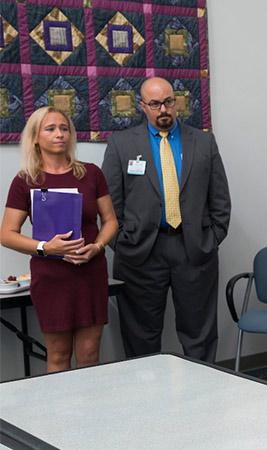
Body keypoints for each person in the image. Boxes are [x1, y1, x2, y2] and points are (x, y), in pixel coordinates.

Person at [102, 77, 231, 362]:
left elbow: (220, 199)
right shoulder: (121, 144)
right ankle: (147, 399)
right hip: (140, 253)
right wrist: (122, 243)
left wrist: (211, 239)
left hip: (194, 248)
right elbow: (109, 204)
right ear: (142, 106)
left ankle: (203, 394)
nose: (164, 109)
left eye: (169, 102)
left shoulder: (203, 142)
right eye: (156, 103)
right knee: (140, 335)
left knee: (199, 332)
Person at [1, 106, 117, 372]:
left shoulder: (90, 173)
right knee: (58, 355)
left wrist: (97, 247)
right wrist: (45, 248)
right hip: (52, 277)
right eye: (51, 129)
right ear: (35, 137)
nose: (60, 134)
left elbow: (110, 221)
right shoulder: (25, 181)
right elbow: (6, 234)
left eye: (64, 128)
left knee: (89, 354)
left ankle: (89, 414)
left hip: (89, 272)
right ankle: (58, 414)